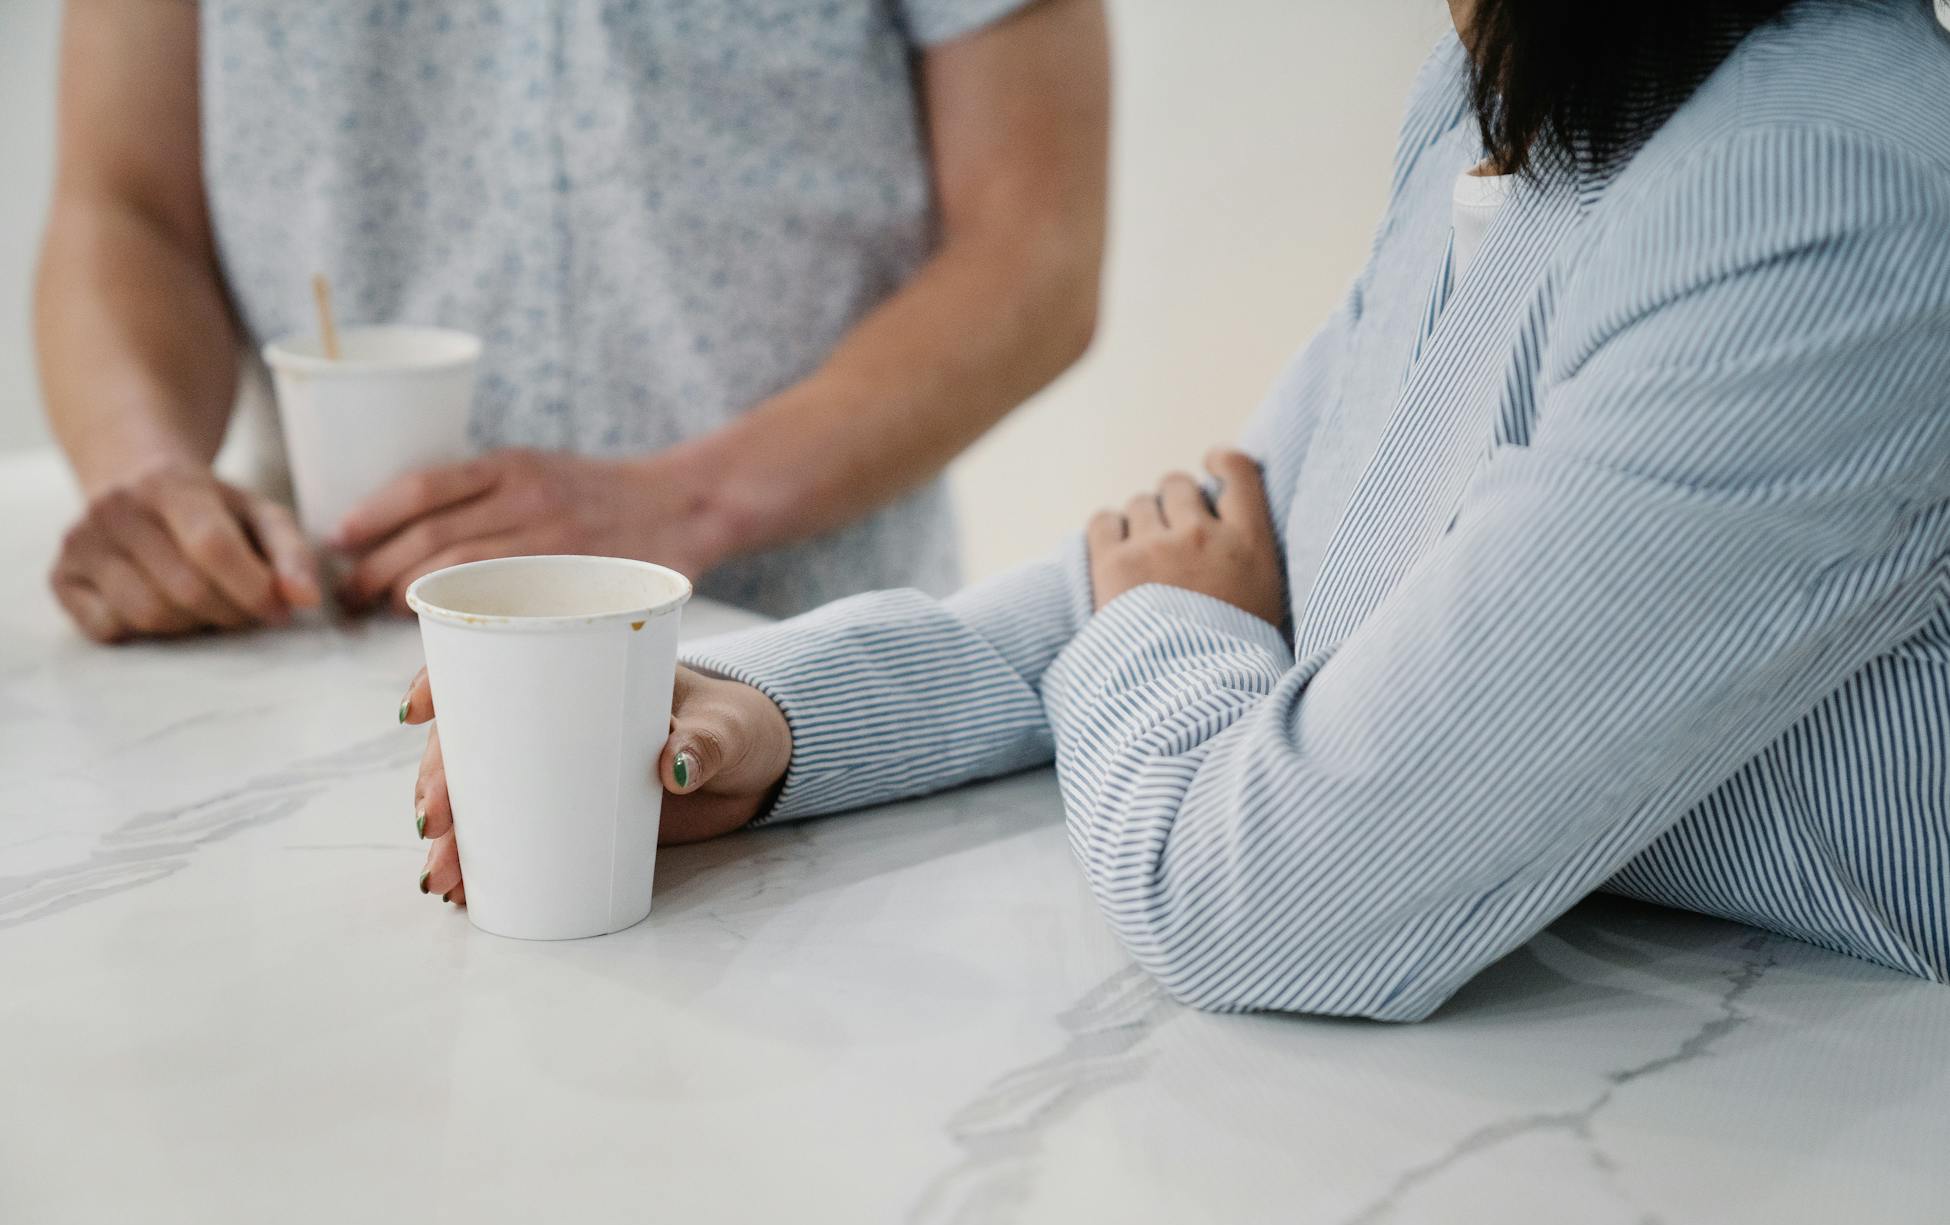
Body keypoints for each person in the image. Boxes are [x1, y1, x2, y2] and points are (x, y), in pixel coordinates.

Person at [406, 0, 1950, 1020]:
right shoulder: (1501, 103)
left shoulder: (1813, 193)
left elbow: (1274, 892)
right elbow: (1213, 546)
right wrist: (756, 725)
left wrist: (1176, 621)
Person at [37, 0, 1108, 641]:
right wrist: (148, 479)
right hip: (313, 642)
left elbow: (1036, 247)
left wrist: (693, 500)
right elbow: (126, 207)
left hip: (796, 658)